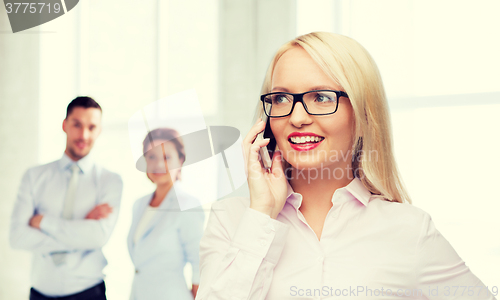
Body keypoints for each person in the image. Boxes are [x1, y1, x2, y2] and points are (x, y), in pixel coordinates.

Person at [195, 32, 497, 299]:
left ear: (363, 113)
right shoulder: (231, 220)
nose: (297, 117)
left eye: (322, 97)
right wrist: (262, 214)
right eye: (282, 98)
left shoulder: (408, 229)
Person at [9, 96, 123, 300]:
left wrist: (43, 222)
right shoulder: (34, 176)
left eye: (91, 127)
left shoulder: (110, 181)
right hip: (40, 292)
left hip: (89, 292)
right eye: (77, 125)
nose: (84, 134)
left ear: (99, 130)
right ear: (65, 125)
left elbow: (98, 237)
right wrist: (82, 230)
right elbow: (17, 237)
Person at [128, 128, 205, 300]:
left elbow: (199, 266)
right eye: (151, 156)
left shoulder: (187, 205)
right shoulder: (139, 205)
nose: (159, 164)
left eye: (167, 157)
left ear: (181, 160)